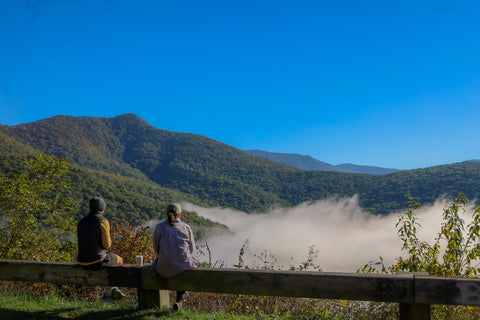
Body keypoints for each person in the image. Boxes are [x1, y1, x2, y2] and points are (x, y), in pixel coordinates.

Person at [77, 196, 126, 301]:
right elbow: (107, 245)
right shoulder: (102, 221)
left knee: (108, 259)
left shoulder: (81, 222)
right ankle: (110, 291)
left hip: (82, 261)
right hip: (97, 261)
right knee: (119, 259)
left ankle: (111, 291)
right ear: (102, 209)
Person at [153, 203, 198, 311]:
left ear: (166, 214)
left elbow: (155, 248)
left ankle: (178, 301)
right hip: (182, 266)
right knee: (184, 266)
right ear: (179, 215)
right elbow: (192, 249)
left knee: (170, 265)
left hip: (163, 267)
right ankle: (180, 300)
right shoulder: (186, 227)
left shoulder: (160, 227)